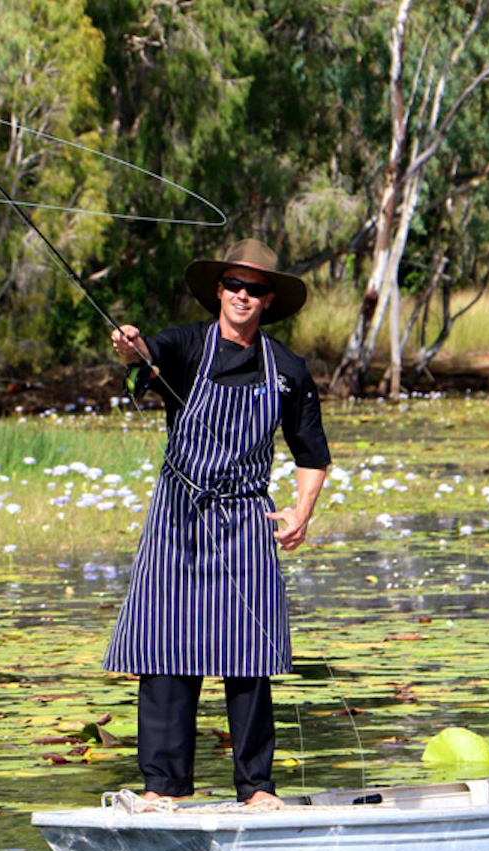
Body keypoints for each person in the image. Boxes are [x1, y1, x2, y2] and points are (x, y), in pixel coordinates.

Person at [104, 238, 329, 808]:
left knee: (249, 656)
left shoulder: (288, 369)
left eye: (254, 289)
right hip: (178, 514)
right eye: (233, 285)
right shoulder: (183, 345)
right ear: (219, 291)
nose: (242, 296)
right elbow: (143, 361)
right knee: (164, 651)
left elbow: (311, 454)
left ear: (269, 299)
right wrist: (129, 346)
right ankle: (163, 788)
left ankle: (256, 788)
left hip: (248, 516)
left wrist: (301, 511)